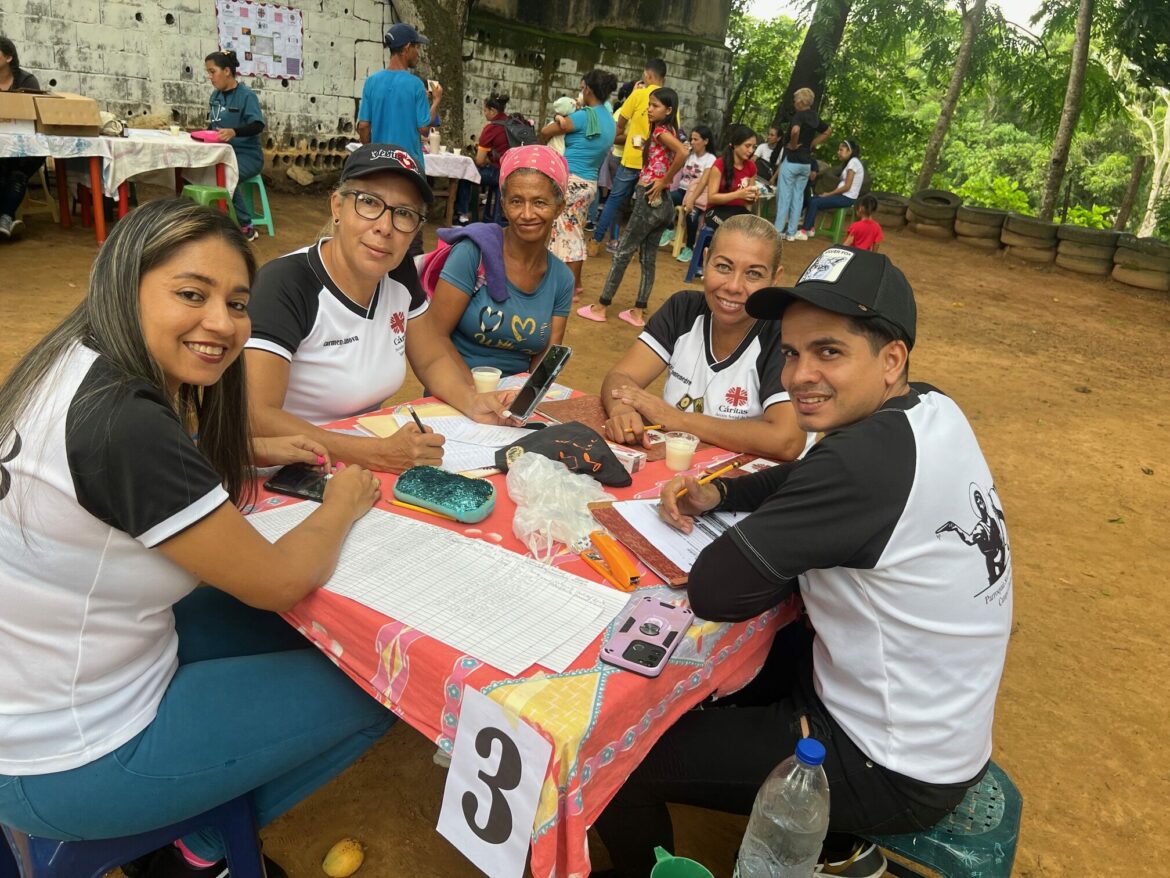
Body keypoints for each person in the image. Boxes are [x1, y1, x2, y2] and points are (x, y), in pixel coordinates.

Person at [0, 198, 393, 878]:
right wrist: (342, 503)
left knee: (307, 633)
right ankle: (200, 851)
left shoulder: (72, 362)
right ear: (125, 284)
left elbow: (126, 488)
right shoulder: (123, 421)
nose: (222, 323)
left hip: (58, 680)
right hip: (67, 754)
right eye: (192, 294)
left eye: (239, 303)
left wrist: (245, 455)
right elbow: (276, 582)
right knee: (380, 686)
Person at [593, 245, 1013, 878]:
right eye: (791, 352)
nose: (798, 375)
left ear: (890, 358)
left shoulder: (862, 462)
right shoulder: (927, 409)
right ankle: (839, 849)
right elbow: (806, 477)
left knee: (617, 755)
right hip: (927, 718)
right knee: (757, 655)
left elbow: (716, 591)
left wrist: (760, 531)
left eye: (829, 352)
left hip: (887, 760)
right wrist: (724, 493)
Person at [244, 144, 514, 473]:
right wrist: (375, 454)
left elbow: (432, 358)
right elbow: (256, 416)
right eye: (369, 202)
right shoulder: (286, 284)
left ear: (415, 229)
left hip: (365, 467)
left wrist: (472, 401)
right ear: (337, 207)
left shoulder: (396, 274)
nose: (385, 226)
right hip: (287, 473)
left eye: (404, 213)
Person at [599, 214, 806, 461]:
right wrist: (621, 410)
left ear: (775, 278)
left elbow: (786, 440)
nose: (733, 286)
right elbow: (621, 377)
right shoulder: (682, 310)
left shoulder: (783, 336)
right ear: (705, 260)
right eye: (723, 267)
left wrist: (677, 420)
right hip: (678, 472)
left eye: (753, 274)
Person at [428, 145, 574, 377]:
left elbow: (545, 362)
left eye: (539, 203)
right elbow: (434, 336)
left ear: (559, 208)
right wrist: (473, 397)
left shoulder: (562, 279)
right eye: (516, 201)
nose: (527, 214)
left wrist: (525, 403)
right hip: (453, 389)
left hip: (511, 400)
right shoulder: (472, 254)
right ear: (503, 206)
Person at [578, 88, 686, 327]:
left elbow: (682, 152)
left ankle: (601, 306)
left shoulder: (661, 131)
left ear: (668, 110)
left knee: (623, 253)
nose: (649, 109)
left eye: (655, 106)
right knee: (648, 258)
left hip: (649, 196)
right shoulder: (667, 131)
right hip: (663, 201)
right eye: (649, 105)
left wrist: (664, 179)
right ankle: (638, 311)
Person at [357, 22, 441, 258]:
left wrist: (371, 150)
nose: (418, 53)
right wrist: (436, 100)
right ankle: (411, 279)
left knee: (379, 218)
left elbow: (364, 126)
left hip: (381, 166)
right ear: (406, 48)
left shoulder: (372, 82)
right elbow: (424, 129)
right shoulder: (415, 85)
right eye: (416, 47)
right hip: (410, 167)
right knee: (410, 221)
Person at [540, 69, 618, 296]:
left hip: (571, 179)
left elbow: (546, 131)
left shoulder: (585, 116)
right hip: (589, 181)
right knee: (574, 232)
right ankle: (576, 283)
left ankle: (570, 286)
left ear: (588, 89)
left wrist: (560, 118)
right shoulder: (608, 119)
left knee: (565, 233)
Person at [589, 58, 667, 256]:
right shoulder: (669, 99)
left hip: (631, 158)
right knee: (644, 207)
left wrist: (629, 138)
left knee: (614, 200)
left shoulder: (638, 95)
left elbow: (619, 126)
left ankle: (596, 241)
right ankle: (634, 248)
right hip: (654, 164)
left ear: (647, 75)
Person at [204, 50, 266, 243]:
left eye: (213, 71)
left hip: (247, 156)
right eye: (208, 72)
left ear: (227, 71)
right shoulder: (215, 96)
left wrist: (234, 132)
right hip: (221, 153)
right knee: (198, 169)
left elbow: (258, 125)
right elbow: (212, 126)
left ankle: (246, 226)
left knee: (226, 173)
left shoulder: (246, 96)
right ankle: (210, 219)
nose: (210, 77)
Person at [774, 87, 831, 241]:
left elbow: (794, 131)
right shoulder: (814, 117)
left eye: (794, 100)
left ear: (800, 102)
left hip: (792, 160)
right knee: (798, 197)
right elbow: (827, 131)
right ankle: (792, 233)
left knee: (784, 195)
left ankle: (778, 230)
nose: (793, 103)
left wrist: (793, 144)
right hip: (806, 163)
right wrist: (812, 143)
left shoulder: (799, 116)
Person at [0, 36, 42, 240]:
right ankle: (6, 217)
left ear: (8, 57)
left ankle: (6, 217)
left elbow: (35, 112)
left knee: (17, 170)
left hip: (26, 145)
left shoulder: (26, 81)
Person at [454, 93, 514, 225]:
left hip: (498, 173)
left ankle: (462, 215)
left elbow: (480, 161)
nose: (484, 113)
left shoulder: (491, 128)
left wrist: (487, 159)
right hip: (514, 172)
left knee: (465, 175)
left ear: (493, 110)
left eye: (485, 110)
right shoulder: (513, 123)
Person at [663, 124, 716, 261]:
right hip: (682, 191)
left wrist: (692, 199)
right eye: (691, 139)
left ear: (706, 141)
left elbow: (704, 181)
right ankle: (670, 229)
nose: (692, 142)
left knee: (692, 214)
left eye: (696, 139)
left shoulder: (711, 159)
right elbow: (676, 167)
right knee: (665, 198)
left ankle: (689, 247)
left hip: (698, 194)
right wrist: (682, 152)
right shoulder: (689, 155)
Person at [798, 139, 865, 240]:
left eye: (841, 150)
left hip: (846, 198)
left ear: (849, 151)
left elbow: (847, 187)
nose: (838, 152)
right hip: (842, 196)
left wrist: (829, 194)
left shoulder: (853, 163)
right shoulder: (851, 162)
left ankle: (804, 231)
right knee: (812, 199)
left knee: (816, 202)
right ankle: (810, 229)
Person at [704, 124, 760, 227]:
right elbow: (711, 198)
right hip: (715, 211)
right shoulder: (719, 164)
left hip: (738, 212)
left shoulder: (751, 166)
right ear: (735, 144)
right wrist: (738, 194)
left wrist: (753, 197)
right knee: (733, 229)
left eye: (754, 147)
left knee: (755, 230)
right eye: (747, 146)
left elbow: (748, 202)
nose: (751, 151)